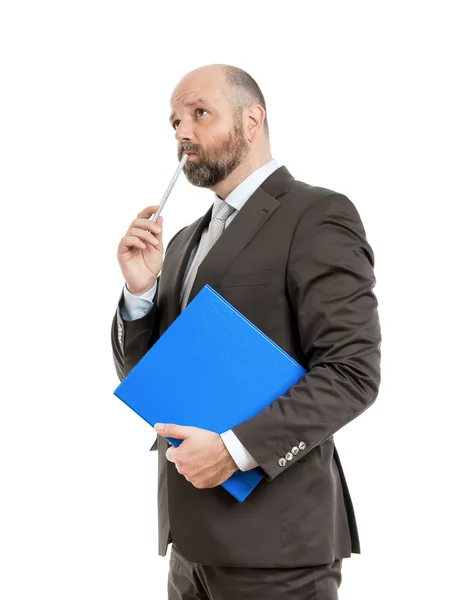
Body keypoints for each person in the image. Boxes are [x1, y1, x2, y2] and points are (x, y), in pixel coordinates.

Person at [110, 63, 381, 600]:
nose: (182, 132)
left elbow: (353, 374)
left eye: (200, 114)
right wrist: (141, 293)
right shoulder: (184, 240)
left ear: (252, 120)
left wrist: (236, 450)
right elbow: (156, 380)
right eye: (174, 122)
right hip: (189, 549)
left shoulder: (318, 214)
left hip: (277, 550)